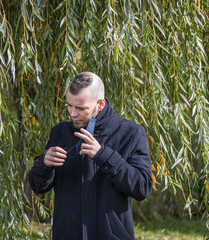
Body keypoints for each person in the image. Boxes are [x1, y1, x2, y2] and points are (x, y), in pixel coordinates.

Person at [29, 72, 152, 240]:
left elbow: (142, 188)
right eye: (69, 106)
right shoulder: (59, 132)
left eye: (80, 108)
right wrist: (44, 164)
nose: (72, 113)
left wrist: (103, 155)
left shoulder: (130, 133)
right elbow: (38, 187)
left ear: (100, 104)